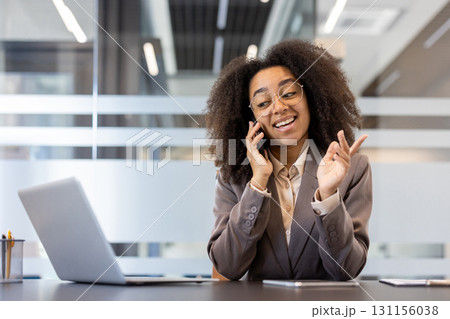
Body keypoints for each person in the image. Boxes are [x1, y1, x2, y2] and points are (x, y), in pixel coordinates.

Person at [205, 39, 372, 281]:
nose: (279, 107)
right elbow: (227, 266)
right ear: (250, 118)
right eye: (263, 103)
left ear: (311, 98)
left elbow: (346, 269)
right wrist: (257, 184)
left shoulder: (353, 168)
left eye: (290, 93)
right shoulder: (235, 175)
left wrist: (327, 196)